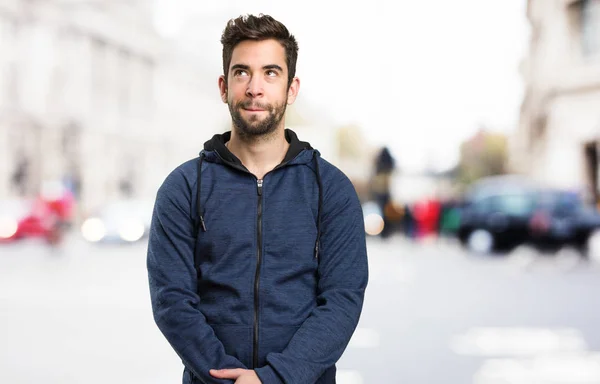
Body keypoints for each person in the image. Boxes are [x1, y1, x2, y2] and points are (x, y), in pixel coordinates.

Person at [147, 14, 369, 384]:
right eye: (241, 73)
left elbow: (343, 300)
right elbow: (172, 301)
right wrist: (227, 378)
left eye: (270, 72)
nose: (255, 88)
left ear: (291, 88)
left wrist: (275, 378)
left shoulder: (331, 189)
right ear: (223, 86)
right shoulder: (184, 187)